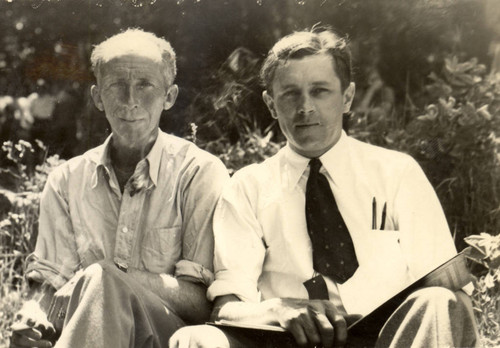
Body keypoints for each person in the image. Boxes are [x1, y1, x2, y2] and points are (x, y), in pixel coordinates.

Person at [169, 27, 479, 347]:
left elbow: (450, 291)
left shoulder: (395, 174)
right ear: (271, 104)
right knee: (194, 338)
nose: (305, 107)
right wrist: (277, 309)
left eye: (320, 91)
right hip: (293, 339)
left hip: (390, 338)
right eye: (290, 93)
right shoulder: (249, 187)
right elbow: (227, 307)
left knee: (440, 301)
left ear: (347, 98)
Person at [10, 28, 229, 348]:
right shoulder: (66, 180)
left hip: (168, 336)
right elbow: (47, 286)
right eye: (117, 86)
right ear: (98, 97)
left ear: (169, 97)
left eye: (145, 85)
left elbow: (201, 304)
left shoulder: (198, 173)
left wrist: (110, 277)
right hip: (86, 333)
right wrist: (31, 317)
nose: (130, 101)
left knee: (103, 280)